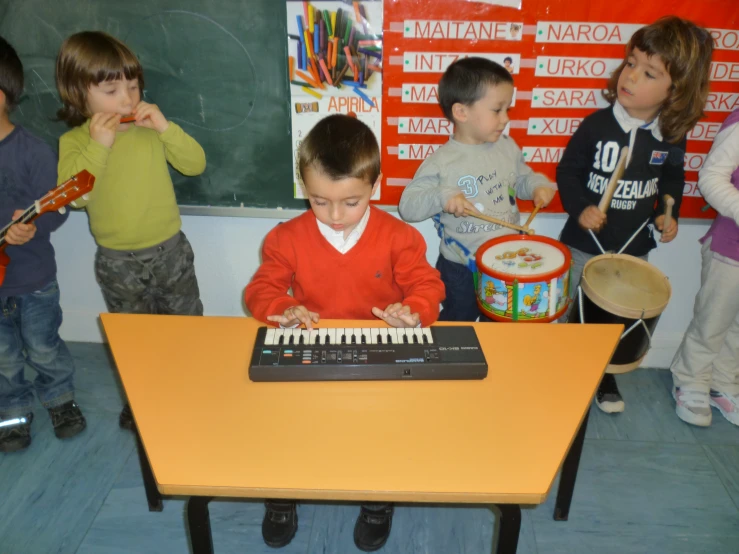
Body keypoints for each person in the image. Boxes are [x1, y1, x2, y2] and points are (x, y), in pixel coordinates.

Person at [244, 114, 444, 551]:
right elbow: (261, 289)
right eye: (319, 201)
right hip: (311, 344)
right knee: (288, 423)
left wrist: (413, 312)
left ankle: (377, 499)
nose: (335, 216)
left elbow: (427, 286)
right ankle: (282, 495)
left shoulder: (399, 237)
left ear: (376, 185)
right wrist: (282, 308)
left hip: (380, 347)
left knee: (380, 429)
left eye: (350, 202)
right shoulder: (286, 237)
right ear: (304, 186)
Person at [557, 16, 714, 414]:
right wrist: (581, 209)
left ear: (674, 90)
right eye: (631, 63)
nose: (631, 76)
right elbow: (568, 172)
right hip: (583, 244)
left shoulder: (671, 135)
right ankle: (558, 376)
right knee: (573, 314)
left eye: (649, 73)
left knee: (611, 320)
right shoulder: (596, 126)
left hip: (632, 250)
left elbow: (672, 179)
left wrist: (668, 212)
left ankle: (602, 375)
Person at [55, 31, 206, 430]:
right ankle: (141, 398)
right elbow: (76, 198)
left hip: (170, 252)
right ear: (78, 93)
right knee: (136, 341)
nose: (127, 99)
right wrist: (98, 146)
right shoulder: (73, 142)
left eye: (133, 87)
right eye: (111, 90)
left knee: (187, 329)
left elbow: (195, 164)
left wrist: (165, 127)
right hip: (117, 263)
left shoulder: (149, 131)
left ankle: (195, 389)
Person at [398, 57, 556, 322]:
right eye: (497, 109)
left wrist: (537, 186)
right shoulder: (442, 162)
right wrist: (442, 196)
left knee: (503, 324)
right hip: (461, 268)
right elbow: (408, 207)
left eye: (508, 109)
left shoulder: (506, 146)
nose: (506, 119)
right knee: (459, 324)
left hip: (507, 264)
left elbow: (521, 179)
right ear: (462, 113)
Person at [0, 36, 86, 453]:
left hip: (32, 278)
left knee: (43, 346)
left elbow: (58, 209)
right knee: (3, 358)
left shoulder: (33, 151)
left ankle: (60, 399)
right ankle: (12, 412)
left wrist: (32, 225)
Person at [671, 108, 739, 427]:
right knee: (713, 318)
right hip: (730, 247)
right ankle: (691, 379)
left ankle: (724, 383)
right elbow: (712, 177)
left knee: (737, 328)